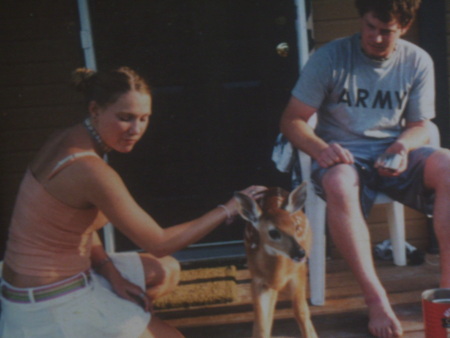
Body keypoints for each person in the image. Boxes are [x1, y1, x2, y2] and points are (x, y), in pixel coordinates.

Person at [0, 66, 266, 338]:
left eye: (144, 118)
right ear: (95, 110)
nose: (135, 130)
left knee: (166, 271)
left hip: (31, 288)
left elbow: (78, 226)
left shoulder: (67, 138)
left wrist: (112, 275)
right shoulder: (90, 170)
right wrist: (229, 208)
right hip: (49, 306)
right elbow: (159, 243)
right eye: (125, 118)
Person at [279, 0, 450, 337]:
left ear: (402, 26)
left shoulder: (416, 60)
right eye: (369, 26)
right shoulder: (330, 57)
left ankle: (447, 293)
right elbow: (292, 120)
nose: (374, 37)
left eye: (385, 31)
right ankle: (376, 300)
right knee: (341, 182)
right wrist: (321, 149)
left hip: (391, 153)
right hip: (343, 156)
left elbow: (419, 124)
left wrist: (401, 147)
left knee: (448, 165)